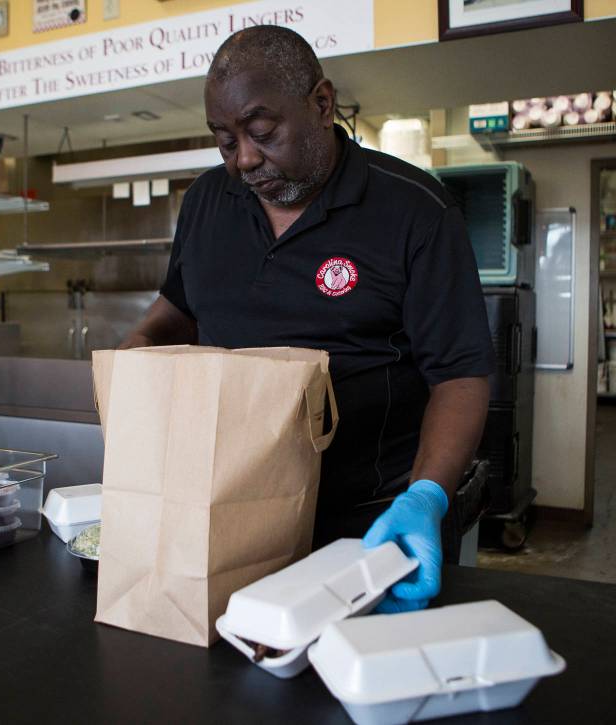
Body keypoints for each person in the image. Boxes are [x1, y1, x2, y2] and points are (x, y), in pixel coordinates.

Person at [120, 26, 494, 612]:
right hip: (227, 512)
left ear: (322, 104)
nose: (245, 159)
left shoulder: (414, 211)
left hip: (371, 523)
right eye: (225, 141)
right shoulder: (206, 203)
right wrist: (135, 362)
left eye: (262, 133)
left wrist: (425, 497)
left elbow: (460, 375)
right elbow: (175, 314)